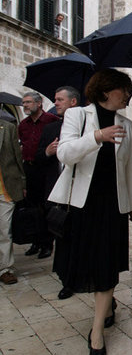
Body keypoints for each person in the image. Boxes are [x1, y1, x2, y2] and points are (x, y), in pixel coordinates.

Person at [49, 69, 132, 355]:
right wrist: (97, 137)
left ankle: (97, 330)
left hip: (113, 206)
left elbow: (128, 169)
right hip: (83, 205)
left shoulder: (127, 124)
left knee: (106, 266)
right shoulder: (78, 116)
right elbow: (65, 154)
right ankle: (107, 306)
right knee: (85, 263)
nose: (127, 95)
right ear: (105, 91)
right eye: (123, 90)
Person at [35, 85, 80, 299]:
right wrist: (47, 151)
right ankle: (67, 280)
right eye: (55, 99)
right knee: (62, 238)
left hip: (80, 193)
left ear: (73, 102)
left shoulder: (86, 130)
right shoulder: (50, 130)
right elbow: (37, 158)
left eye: (60, 99)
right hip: (57, 192)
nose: (56, 103)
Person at [18, 91, 59, 259]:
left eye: (28, 102)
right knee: (32, 207)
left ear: (39, 103)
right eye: (24, 102)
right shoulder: (23, 125)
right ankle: (35, 241)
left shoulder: (52, 121)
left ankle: (47, 243)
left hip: (46, 169)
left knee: (46, 207)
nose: (25, 105)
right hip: (29, 169)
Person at [0, 119, 25, 284]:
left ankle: (5, 269)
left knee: (4, 230)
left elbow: (17, 157)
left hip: (5, 189)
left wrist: (23, 183)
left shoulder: (8, 128)